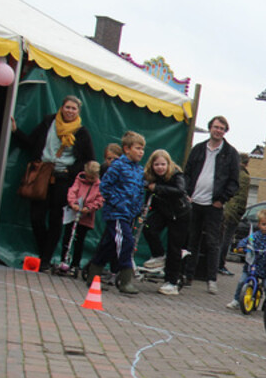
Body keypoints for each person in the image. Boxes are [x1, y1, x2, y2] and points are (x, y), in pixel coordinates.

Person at [11, 95, 95, 269]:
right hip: (42, 174)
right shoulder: (49, 122)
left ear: (78, 111)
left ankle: (46, 259)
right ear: (61, 108)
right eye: (67, 107)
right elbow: (31, 142)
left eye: (74, 108)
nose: (70, 111)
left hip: (63, 179)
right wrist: (16, 131)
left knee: (56, 219)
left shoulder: (81, 132)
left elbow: (88, 159)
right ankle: (44, 253)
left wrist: (70, 171)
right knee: (36, 217)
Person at [182, 116, 240, 295]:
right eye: (216, 127)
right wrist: (187, 193)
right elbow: (187, 173)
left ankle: (211, 279)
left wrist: (221, 199)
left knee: (213, 243)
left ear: (225, 131)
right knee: (192, 240)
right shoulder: (198, 149)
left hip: (214, 205)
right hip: (195, 201)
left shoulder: (231, 153)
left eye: (222, 128)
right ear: (210, 128)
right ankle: (188, 275)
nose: (218, 131)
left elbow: (234, 181)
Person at [85, 131, 146, 295]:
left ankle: (92, 274)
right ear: (127, 149)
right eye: (138, 148)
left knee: (109, 244)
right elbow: (105, 186)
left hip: (130, 214)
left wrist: (137, 208)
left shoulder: (140, 170)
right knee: (126, 242)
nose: (141, 152)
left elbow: (140, 191)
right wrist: (117, 203)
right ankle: (125, 279)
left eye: (142, 149)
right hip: (117, 213)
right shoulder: (117, 166)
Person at [140, 150, 190, 296]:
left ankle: (172, 282)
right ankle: (158, 255)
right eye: (157, 164)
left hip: (179, 214)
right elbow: (148, 194)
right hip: (163, 212)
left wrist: (157, 188)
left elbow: (179, 191)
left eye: (163, 164)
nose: (160, 167)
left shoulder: (176, 175)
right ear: (151, 165)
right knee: (148, 227)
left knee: (174, 247)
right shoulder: (150, 177)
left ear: (168, 164)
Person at [226, 208, 266, 310]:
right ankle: (236, 300)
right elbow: (246, 240)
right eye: (264, 224)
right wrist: (240, 247)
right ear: (259, 225)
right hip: (252, 265)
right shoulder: (255, 236)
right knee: (242, 281)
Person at [59, 160, 104, 275]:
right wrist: (73, 203)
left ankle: (75, 264)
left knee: (79, 240)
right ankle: (63, 260)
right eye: (88, 177)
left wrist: (89, 207)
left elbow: (99, 200)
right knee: (67, 237)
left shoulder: (99, 185)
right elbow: (72, 192)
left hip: (85, 217)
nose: (89, 180)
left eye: (92, 178)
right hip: (73, 214)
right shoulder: (79, 180)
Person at [217, 153, 251, 276]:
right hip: (232, 212)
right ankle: (220, 265)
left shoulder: (230, 172)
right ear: (246, 163)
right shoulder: (243, 176)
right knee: (226, 239)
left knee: (220, 238)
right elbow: (241, 198)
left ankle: (216, 264)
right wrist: (239, 212)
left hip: (225, 209)